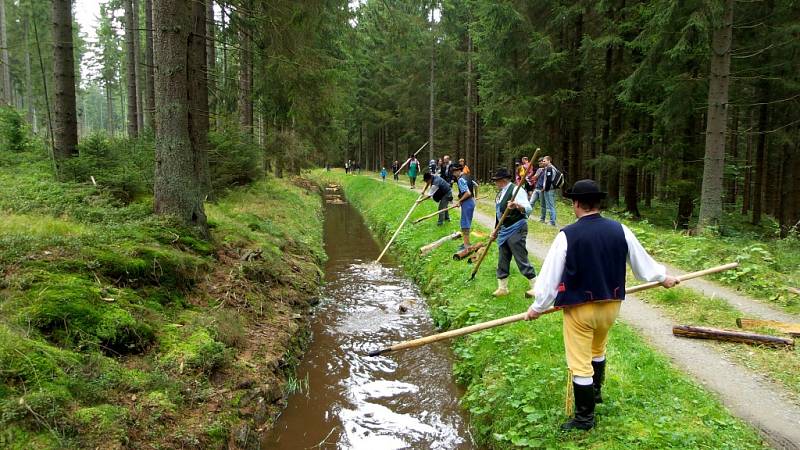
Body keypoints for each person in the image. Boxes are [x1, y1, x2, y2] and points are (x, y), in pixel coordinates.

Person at [525, 179, 680, 431]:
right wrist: (663, 278)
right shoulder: (621, 230)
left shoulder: (567, 235)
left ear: (576, 204)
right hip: (611, 307)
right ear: (598, 203)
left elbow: (550, 279)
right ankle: (595, 393)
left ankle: (584, 418)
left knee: (580, 363)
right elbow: (643, 266)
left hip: (580, 310)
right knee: (598, 349)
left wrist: (537, 307)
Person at [490, 168, 537, 298]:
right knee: (503, 258)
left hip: (516, 228)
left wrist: (517, 205)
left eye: (497, 181)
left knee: (520, 257)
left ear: (503, 180)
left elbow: (527, 208)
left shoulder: (517, 191)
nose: (495, 183)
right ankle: (502, 288)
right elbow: (499, 214)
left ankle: (536, 286)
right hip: (504, 230)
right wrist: (495, 230)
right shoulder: (501, 193)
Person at [451, 164, 475, 251]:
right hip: (471, 201)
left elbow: (467, 193)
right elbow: (475, 186)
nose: (453, 174)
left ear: (458, 171)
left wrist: (460, 201)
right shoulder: (467, 176)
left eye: (454, 172)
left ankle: (466, 245)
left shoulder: (461, 179)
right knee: (465, 222)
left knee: (465, 223)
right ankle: (466, 243)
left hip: (467, 203)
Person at [540, 156, 559, 226]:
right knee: (551, 205)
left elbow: (548, 180)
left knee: (550, 205)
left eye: (544, 161)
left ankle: (552, 221)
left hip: (549, 190)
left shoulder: (549, 168)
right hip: (550, 189)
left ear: (549, 161)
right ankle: (552, 220)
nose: (543, 162)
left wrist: (545, 189)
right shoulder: (552, 168)